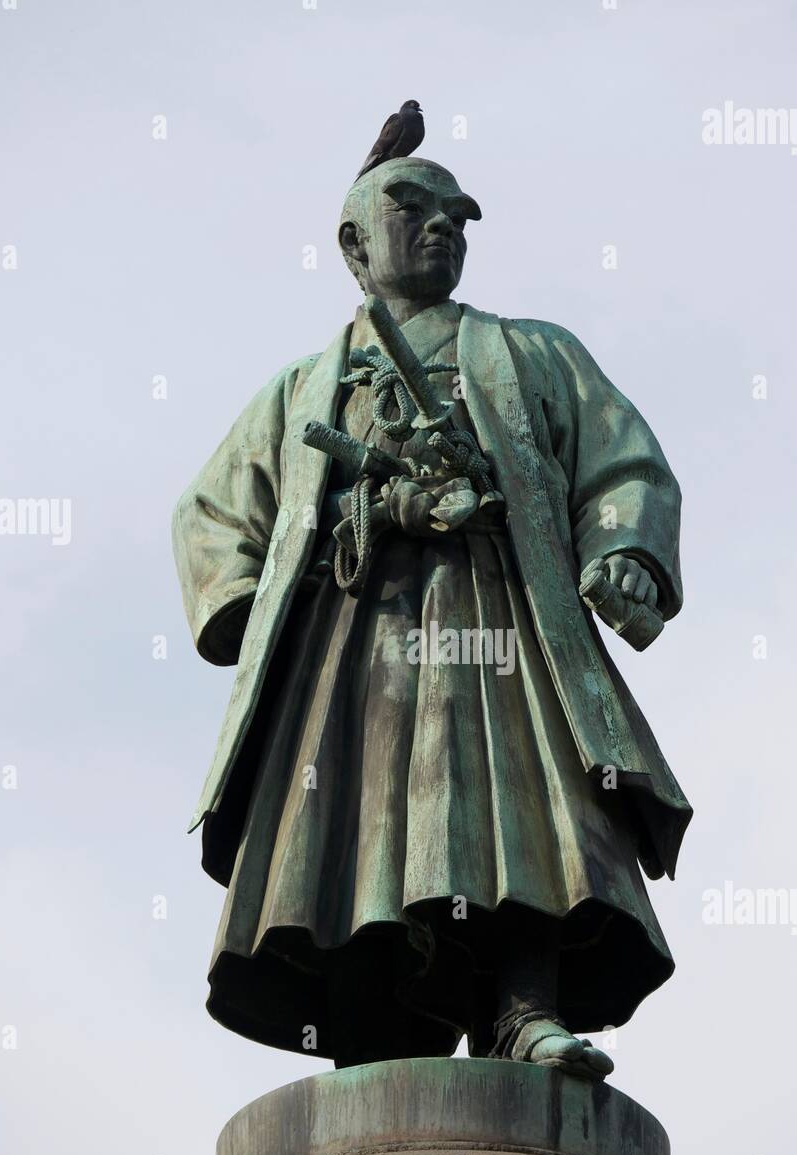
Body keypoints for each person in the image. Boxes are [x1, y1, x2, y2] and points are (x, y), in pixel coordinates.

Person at [173, 157, 692, 1080]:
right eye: (410, 208)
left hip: (499, 618)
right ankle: (373, 1042)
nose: (441, 227)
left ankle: (522, 1009)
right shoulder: (304, 390)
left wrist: (623, 549)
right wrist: (257, 603)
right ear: (352, 242)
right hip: (350, 641)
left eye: (457, 216)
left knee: (517, 799)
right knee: (354, 824)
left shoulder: (533, 352)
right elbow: (212, 515)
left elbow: (625, 465)